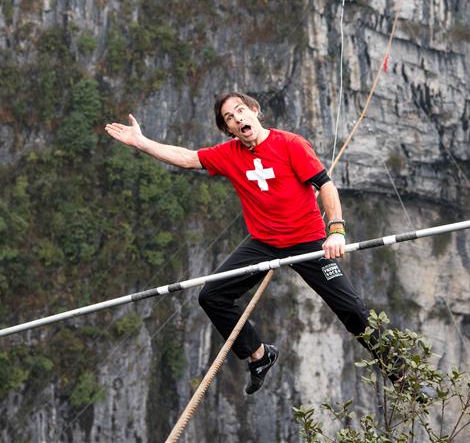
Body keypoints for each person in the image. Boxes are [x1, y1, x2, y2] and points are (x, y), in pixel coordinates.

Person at [104, 92, 374, 395]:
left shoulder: (290, 144)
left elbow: (324, 184)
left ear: (255, 111)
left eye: (240, 111)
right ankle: (260, 355)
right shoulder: (229, 154)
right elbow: (189, 158)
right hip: (264, 243)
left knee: (352, 309)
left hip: (308, 240)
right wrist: (141, 143)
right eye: (229, 118)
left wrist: (336, 230)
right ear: (228, 129)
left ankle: (397, 370)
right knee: (212, 296)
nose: (237, 119)